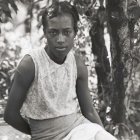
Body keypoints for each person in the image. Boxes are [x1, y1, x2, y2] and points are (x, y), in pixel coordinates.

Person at [4, 1, 117, 140]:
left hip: (78, 129)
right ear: (45, 32)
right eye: (53, 32)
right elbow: (10, 115)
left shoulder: (77, 64)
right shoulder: (31, 65)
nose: (60, 39)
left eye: (67, 32)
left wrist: (102, 134)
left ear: (75, 32)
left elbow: (89, 111)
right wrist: (40, 133)